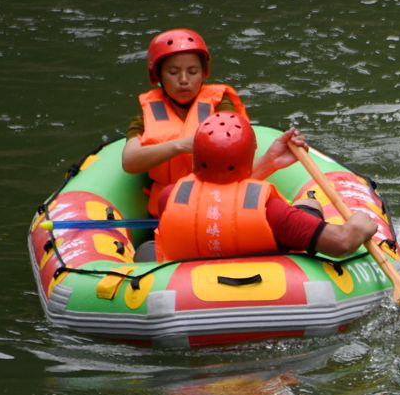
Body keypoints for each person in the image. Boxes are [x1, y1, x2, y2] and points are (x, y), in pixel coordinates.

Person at [153, 112, 377, 262]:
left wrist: (269, 162)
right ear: (249, 155)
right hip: (268, 289)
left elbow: (221, 197)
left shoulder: (169, 196)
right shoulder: (272, 211)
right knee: (309, 203)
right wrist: (360, 224)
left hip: (186, 294)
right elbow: (341, 242)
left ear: (195, 158)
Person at [122, 28, 268, 216]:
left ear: (203, 73)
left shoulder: (221, 104)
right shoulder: (145, 118)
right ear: (158, 76)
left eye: (192, 71)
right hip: (169, 210)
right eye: (173, 72)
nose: (184, 80)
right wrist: (180, 145)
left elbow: (236, 147)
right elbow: (130, 161)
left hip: (217, 203)